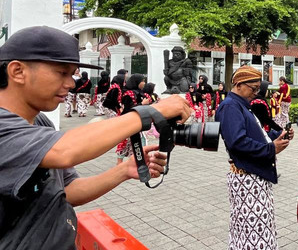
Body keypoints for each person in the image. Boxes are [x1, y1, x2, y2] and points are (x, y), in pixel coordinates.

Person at [0, 26, 190, 249]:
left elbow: (67, 191)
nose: (71, 83)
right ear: (17, 71)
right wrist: (151, 112)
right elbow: (65, 151)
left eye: (72, 74)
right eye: (62, 73)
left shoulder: (39, 122)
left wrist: (123, 171)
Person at [216, 66, 292, 250]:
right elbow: (238, 142)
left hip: (253, 176)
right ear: (239, 84)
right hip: (247, 178)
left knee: (254, 232)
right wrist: (270, 149)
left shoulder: (240, 104)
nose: (256, 93)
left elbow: (255, 135)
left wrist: (276, 137)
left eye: (258, 89)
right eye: (254, 88)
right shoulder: (230, 107)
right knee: (253, 236)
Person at [116, 74, 150, 164]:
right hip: (128, 121)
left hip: (138, 120)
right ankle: (119, 162)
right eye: (142, 81)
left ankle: (137, 161)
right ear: (137, 82)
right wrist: (142, 104)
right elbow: (129, 109)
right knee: (125, 142)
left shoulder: (139, 92)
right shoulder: (128, 94)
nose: (144, 83)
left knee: (139, 142)